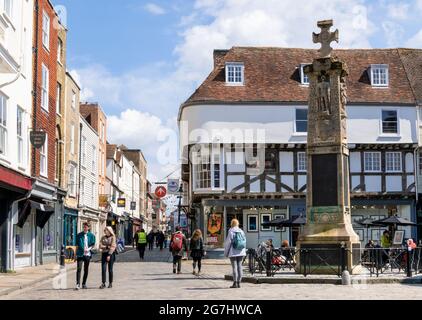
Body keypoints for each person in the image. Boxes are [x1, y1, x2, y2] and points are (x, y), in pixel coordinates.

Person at [224, 219, 246, 289]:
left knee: (234, 267)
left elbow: (228, 243)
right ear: (238, 224)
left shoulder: (231, 231)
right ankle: (239, 282)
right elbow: (244, 241)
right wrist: (244, 250)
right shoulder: (241, 231)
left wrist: (226, 253)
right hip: (241, 251)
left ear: (231, 224)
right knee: (240, 267)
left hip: (233, 252)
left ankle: (235, 283)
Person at [75, 222, 96, 290]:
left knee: (86, 269)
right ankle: (78, 284)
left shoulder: (91, 235)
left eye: (86, 227)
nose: (84, 228)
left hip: (87, 254)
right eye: (83, 227)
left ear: (89, 228)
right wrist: (75, 254)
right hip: (80, 254)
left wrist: (88, 249)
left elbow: (93, 244)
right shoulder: (79, 235)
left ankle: (84, 284)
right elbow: (77, 245)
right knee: (79, 269)